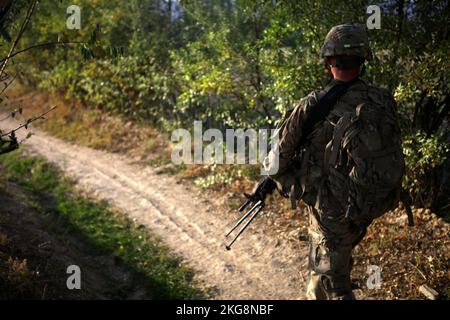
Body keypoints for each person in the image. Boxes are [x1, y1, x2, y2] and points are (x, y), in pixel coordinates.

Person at [253, 23, 405, 300]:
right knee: (328, 266)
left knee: (335, 285)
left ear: (328, 60)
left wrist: (282, 182)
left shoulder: (313, 104)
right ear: (362, 60)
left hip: (331, 209)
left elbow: (275, 162)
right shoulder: (382, 99)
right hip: (368, 202)